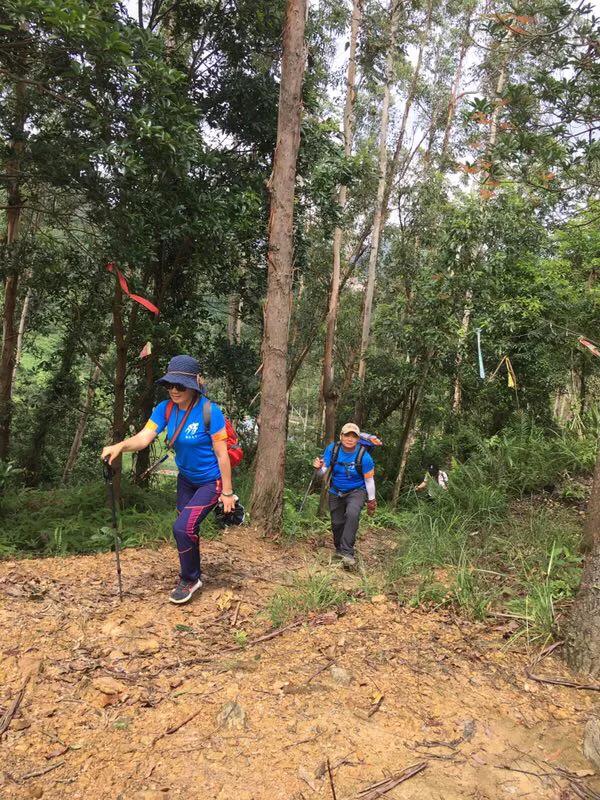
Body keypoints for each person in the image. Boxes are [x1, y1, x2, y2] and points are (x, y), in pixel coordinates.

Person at [101, 354, 236, 605]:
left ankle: (189, 579)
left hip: (210, 481)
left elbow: (222, 455)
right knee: (187, 529)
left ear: (194, 385)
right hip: (185, 479)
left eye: (180, 386)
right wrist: (120, 446)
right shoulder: (165, 409)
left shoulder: (209, 411)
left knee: (182, 528)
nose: (174, 390)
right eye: (170, 385)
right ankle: (193, 574)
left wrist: (227, 493)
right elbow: (144, 437)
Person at [313, 422, 377, 568]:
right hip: (336, 490)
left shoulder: (364, 457)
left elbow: (369, 480)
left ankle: (348, 553)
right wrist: (318, 468)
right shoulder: (333, 449)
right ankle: (339, 549)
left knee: (352, 514)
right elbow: (323, 471)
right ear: (341, 436)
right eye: (347, 435)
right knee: (337, 523)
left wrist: (371, 501)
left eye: (353, 436)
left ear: (358, 439)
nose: (350, 439)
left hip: (357, 491)